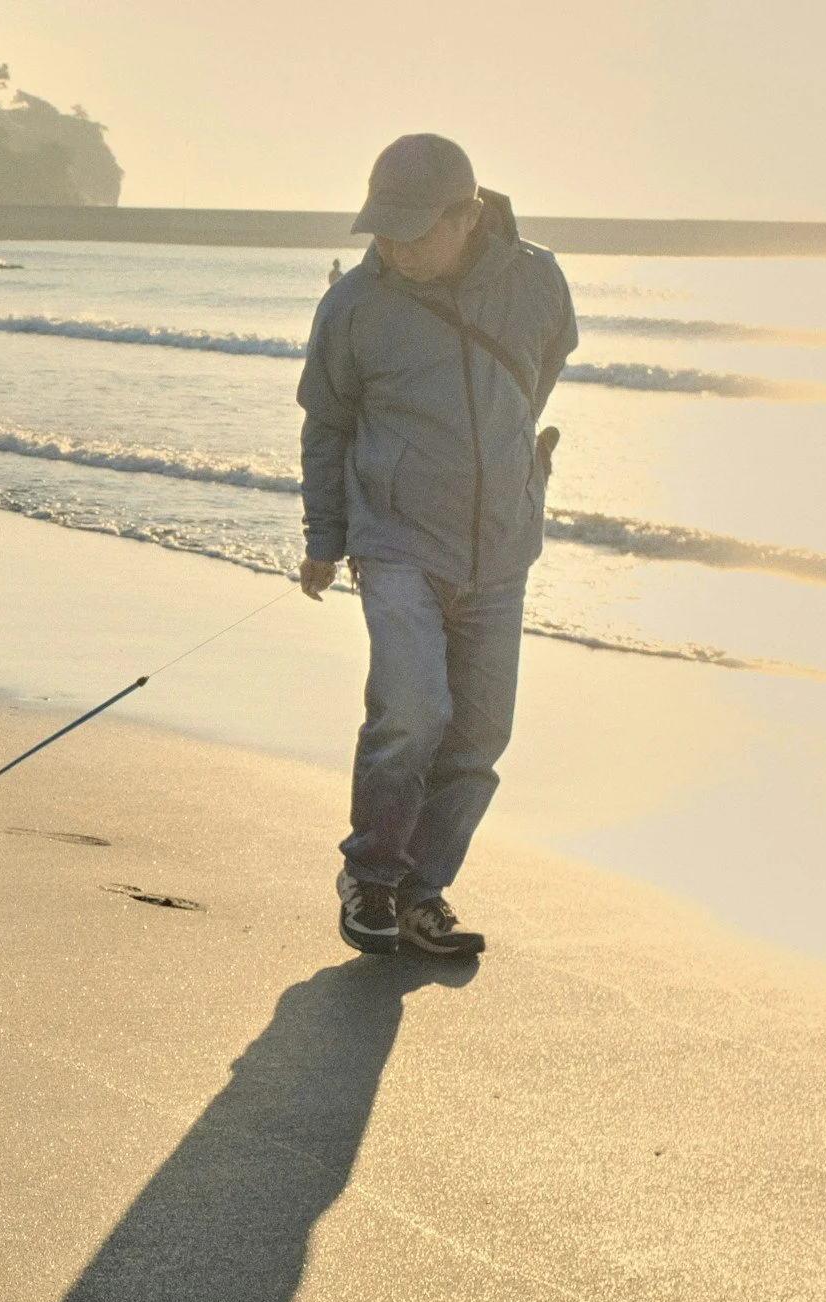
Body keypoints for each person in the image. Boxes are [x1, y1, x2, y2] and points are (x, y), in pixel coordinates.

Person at [296, 133, 578, 957]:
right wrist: (325, 534)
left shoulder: (537, 281)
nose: (394, 245)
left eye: (414, 228)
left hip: (502, 546)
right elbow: (328, 423)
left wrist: (508, 463)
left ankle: (423, 893)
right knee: (413, 711)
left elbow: (542, 367)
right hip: (396, 542)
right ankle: (372, 877)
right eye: (383, 227)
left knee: (480, 738)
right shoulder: (353, 306)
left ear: (470, 215)